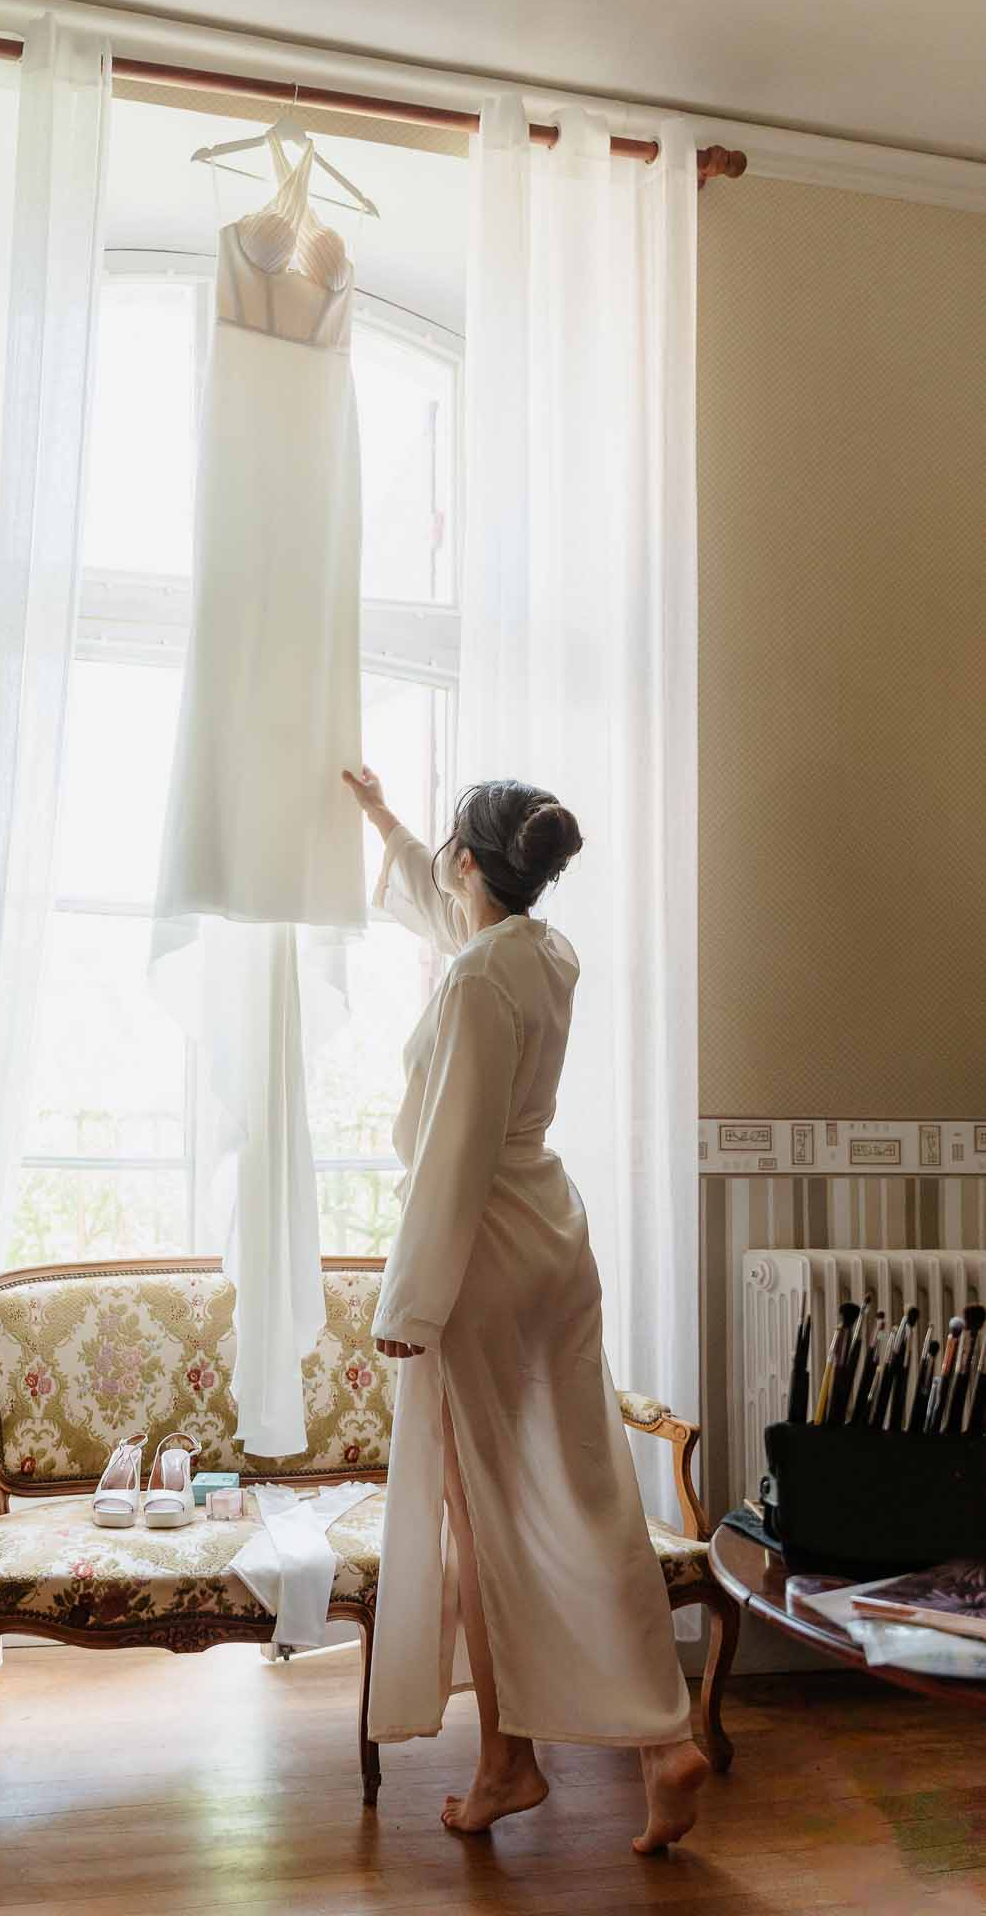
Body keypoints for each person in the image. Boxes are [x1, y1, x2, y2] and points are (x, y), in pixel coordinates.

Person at [341, 765, 709, 1854]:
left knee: (482, 1519)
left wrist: (410, 1300)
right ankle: (660, 1741)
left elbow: (452, 1151)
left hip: (487, 1250)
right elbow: (452, 912)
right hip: (555, 1236)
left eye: (450, 854)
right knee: (591, 1500)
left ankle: (509, 1761)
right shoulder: (545, 953)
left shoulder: (470, 981)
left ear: (471, 867)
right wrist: (387, 821)